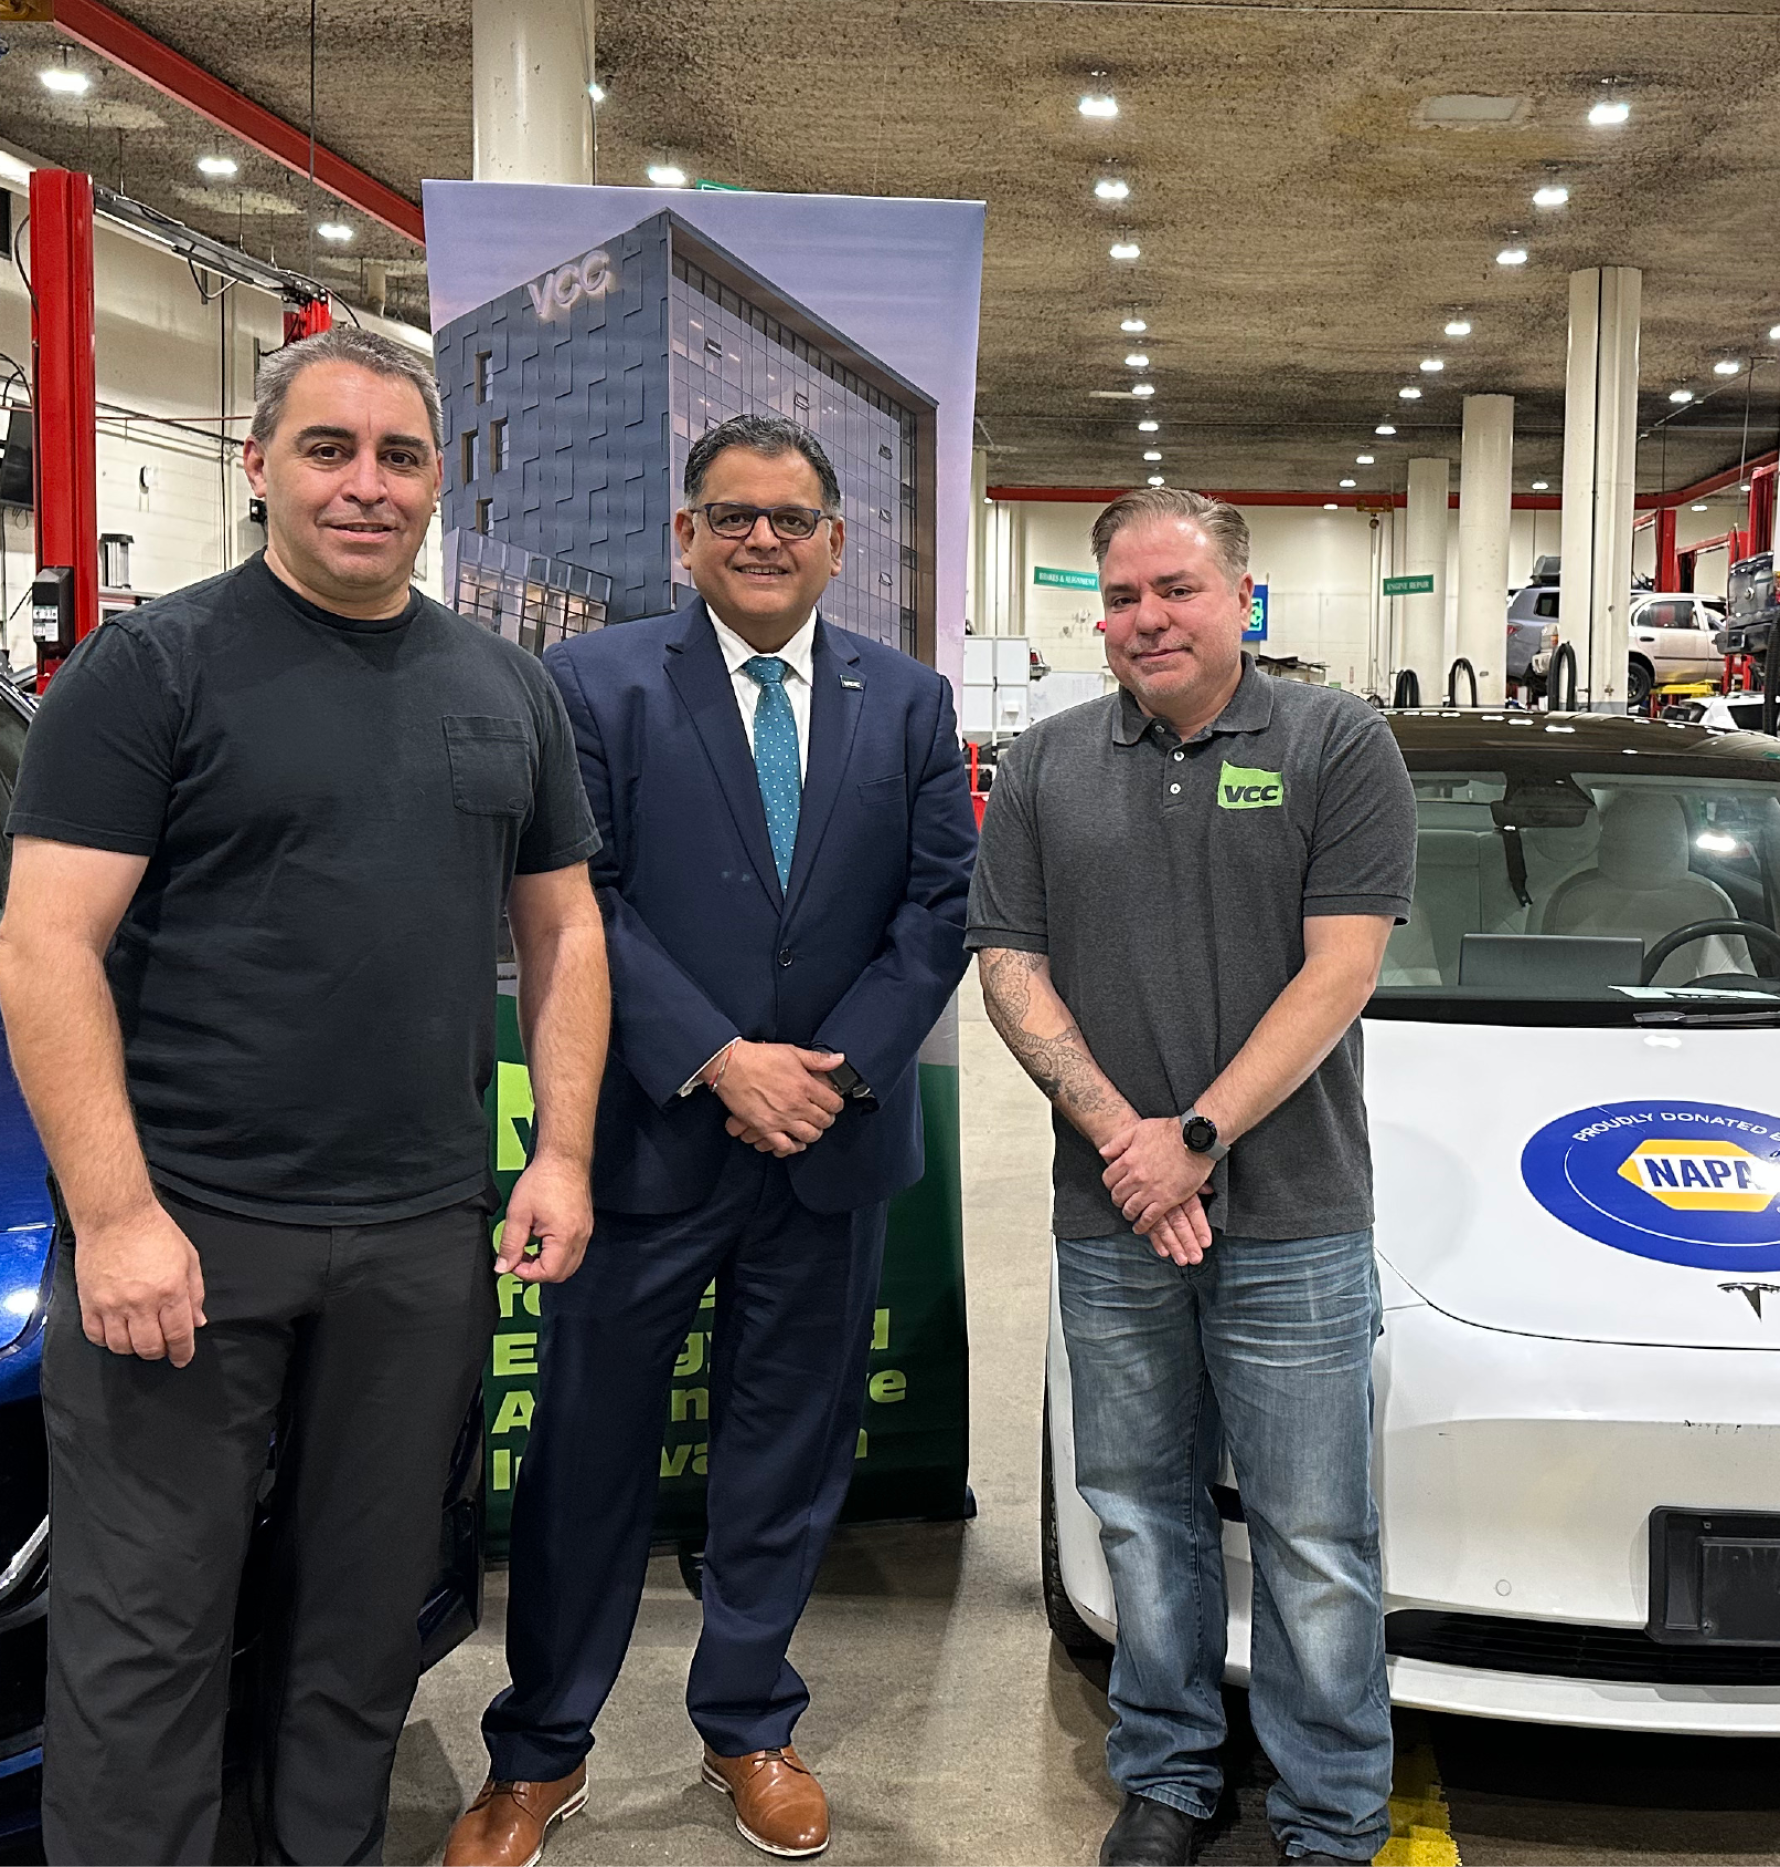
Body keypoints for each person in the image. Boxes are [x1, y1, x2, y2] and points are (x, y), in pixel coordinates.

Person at [0, 325, 609, 1865]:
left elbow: (565, 925)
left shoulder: (503, 685)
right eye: (328, 449)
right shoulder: (154, 669)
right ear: (258, 462)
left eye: (400, 455)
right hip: (191, 1233)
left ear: (436, 482)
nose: (366, 484)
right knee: (148, 1638)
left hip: (416, 1237)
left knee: (360, 1630)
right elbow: (44, 945)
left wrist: (565, 1154)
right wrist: (117, 1214)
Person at [443, 414, 975, 1866]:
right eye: (732, 515)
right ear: (685, 536)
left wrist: (841, 1068)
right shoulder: (594, 684)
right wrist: (721, 1061)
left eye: (791, 517)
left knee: (786, 1452)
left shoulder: (909, 700)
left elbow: (940, 909)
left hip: (835, 1143)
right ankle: (539, 1752)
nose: (761, 538)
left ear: (835, 543)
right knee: (588, 1452)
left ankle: (748, 1719)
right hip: (647, 1142)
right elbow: (576, 900)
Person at [968, 487, 1417, 1866]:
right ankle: (1168, 1770)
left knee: (1315, 1534)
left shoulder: (1337, 742)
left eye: (1175, 588)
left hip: (1293, 1219)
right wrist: (1129, 1145)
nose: (1146, 617)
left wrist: (1196, 1139)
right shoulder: (1046, 765)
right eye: (1121, 596)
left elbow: (1340, 967)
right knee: (1141, 1512)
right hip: (1112, 1216)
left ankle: (1331, 1809)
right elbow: (1010, 965)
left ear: (1243, 596)